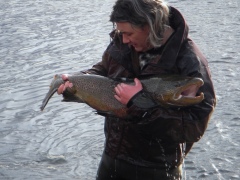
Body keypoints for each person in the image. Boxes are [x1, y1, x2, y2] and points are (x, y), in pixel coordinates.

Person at [57, 0, 216, 179]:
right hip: (112, 159)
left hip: (157, 169)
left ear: (149, 25)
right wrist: (77, 79)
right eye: (121, 33)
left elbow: (195, 127)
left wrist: (139, 103)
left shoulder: (190, 60)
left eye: (128, 33)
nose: (124, 39)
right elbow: (103, 70)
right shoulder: (122, 42)